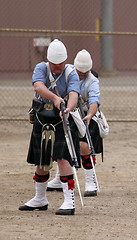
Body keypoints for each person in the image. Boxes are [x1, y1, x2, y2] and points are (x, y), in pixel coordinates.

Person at [19, 39, 81, 215]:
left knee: (62, 158)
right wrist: (54, 99)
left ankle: (69, 201)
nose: (57, 67)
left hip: (62, 118)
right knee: (41, 158)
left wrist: (68, 108)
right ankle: (40, 199)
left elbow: (74, 94)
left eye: (60, 63)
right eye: (54, 64)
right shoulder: (41, 68)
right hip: (42, 116)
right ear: (49, 61)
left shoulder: (71, 72)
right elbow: (38, 86)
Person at [47, 49, 101, 197]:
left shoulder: (92, 80)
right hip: (66, 113)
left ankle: (90, 181)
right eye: (80, 71)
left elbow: (94, 100)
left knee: (84, 145)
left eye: (85, 72)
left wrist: (90, 114)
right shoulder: (68, 73)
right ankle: (59, 178)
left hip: (86, 115)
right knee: (62, 145)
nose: (82, 74)